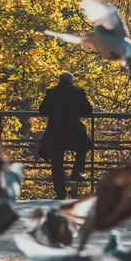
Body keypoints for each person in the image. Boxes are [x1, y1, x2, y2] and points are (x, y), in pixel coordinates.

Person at [39, 72, 93, 200]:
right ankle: (77, 171)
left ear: (59, 81)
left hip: (55, 134)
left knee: (56, 163)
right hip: (74, 132)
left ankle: (60, 193)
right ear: (72, 81)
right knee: (86, 144)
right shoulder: (78, 91)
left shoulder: (51, 92)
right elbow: (88, 110)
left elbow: (42, 110)